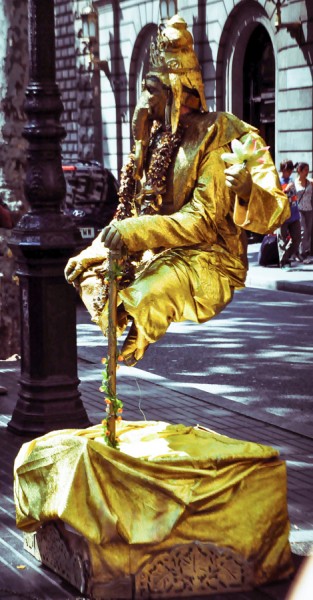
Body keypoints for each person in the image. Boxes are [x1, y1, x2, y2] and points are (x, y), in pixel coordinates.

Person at [65, 14, 289, 366]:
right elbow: (137, 198)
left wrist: (247, 191)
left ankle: (140, 322)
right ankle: (118, 331)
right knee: (82, 265)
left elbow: (200, 223)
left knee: (147, 291)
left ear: (176, 91)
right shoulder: (159, 136)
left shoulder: (216, 136)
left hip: (206, 256)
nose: (143, 99)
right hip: (157, 247)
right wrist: (139, 137)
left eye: (150, 90)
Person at [277, 159, 301, 267]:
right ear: (283, 169)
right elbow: (276, 198)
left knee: (297, 239)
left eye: (291, 170)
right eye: (288, 170)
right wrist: (285, 190)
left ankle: (287, 256)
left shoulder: (291, 180)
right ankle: (283, 261)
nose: (290, 172)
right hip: (283, 216)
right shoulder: (277, 182)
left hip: (294, 215)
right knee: (282, 239)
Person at [295, 162, 313, 261]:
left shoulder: (310, 182)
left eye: (308, 169)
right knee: (303, 231)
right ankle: (301, 252)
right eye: (305, 170)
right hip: (300, 209)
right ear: (300, 171)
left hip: (309, 209)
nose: (307, 172)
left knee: (309, 231)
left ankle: (306, 251)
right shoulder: (295, 183)